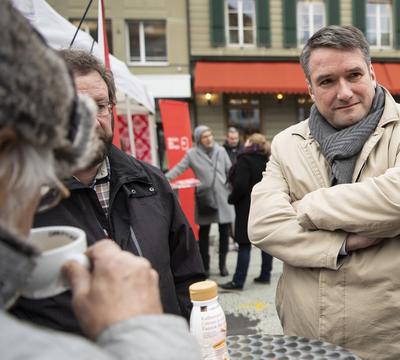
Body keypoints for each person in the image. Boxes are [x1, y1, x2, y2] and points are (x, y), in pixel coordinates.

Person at [0, 1, 200, 358]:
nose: (93, 120)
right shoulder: (21, 195)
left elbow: (187, 274)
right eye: (76, 109)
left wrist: (186, 334)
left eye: (102, 105)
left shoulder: (151, 182)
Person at [248, 25, 400, 359]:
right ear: (310, 89)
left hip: (390, 341)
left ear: (372, 73)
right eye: (327, 81)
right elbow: (263, 225)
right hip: (305, 339)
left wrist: (307, 207)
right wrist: (342, 242)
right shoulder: (287, 143)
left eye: (354, 75)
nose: (344, 92)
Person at [166, 125, 234, 276]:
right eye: (205, 136)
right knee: (204, 233)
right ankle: (206, 266)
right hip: (205, 197)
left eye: (210, 135)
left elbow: (230, 170)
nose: (209, 138)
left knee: (224, 231)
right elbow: (178, 169)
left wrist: (234, 187)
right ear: (198, 140)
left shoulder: (221, 151)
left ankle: (223, 265)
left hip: (223, 196)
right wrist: (163, 179)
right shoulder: (192, 154)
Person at [221, 133, 273, 290]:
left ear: (251, 143)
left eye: (248, 140)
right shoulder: (267, 159)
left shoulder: (244, 159)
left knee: (244, 244)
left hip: (246, 206)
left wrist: (232, 198)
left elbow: (241, 185)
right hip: (263, 204)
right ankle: (265, 275)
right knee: (265, 242)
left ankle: (238, 281)